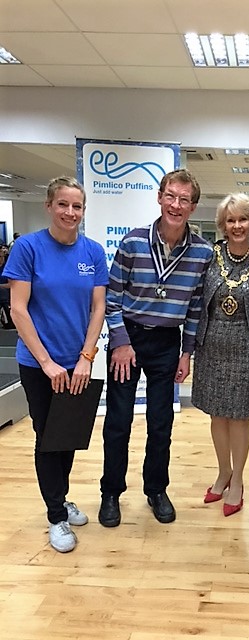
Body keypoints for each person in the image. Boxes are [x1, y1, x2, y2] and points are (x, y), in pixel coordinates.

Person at [98, 168, 213, 528]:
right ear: (160, 197)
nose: (176, 205)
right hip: (128, 339)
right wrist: (120, 342)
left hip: (167, 341)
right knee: (118, 421)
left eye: (184, 200)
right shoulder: (133, 242)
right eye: (171, 196)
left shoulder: (202, 252)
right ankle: (110, 493)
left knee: (161, 423)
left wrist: (187, 352)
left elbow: (195, 308)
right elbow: (112, 298)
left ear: (193, 207)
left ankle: (156, 489)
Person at [3, 176, 108, 553]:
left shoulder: (93, 252)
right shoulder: (28, 248)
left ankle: (60, 499)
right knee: (47, 438)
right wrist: (46, 362)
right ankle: (55, 516)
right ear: (49, 206)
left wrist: (86, 358)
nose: (70, 212)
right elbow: (18, 310)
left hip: (77, 365)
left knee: (68, 437)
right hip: (39, 366)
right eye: (63, 204)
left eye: (77, 206)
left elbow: (98, 308)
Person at [191, 193, 249, 516]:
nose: (237, 226)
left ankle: (237, 480)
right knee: (217, 414)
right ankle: (223, 471)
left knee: (238, 415)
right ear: (222, 225)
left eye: (242, 219)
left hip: (246, 347)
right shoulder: (210, 256)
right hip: (211, 346)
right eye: (231, 220)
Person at [0, 248, 15, 329]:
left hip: (6, 292)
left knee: (3, 292)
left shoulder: (7, 268)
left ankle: (8, 319)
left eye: (2, 256)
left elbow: (11, 284)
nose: (1, 259)